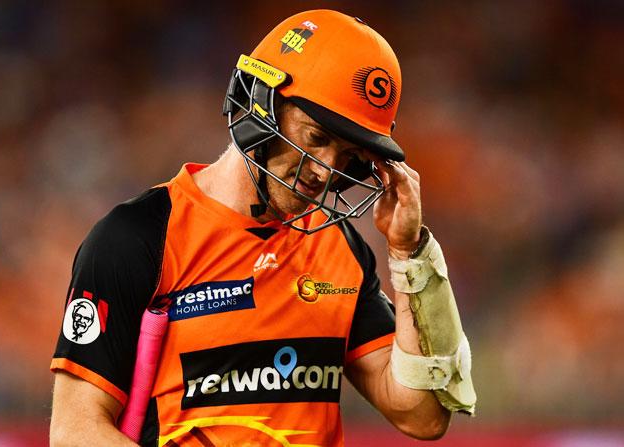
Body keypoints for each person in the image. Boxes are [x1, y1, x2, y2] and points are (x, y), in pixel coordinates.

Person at [50, 9, 476, 447]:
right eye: (316, 137)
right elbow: (74, 432)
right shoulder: (137, 236)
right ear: (262, 105)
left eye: (349, 156)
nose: (326, 170)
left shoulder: (341, 248)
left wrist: (410, 254)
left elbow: (422, 416)